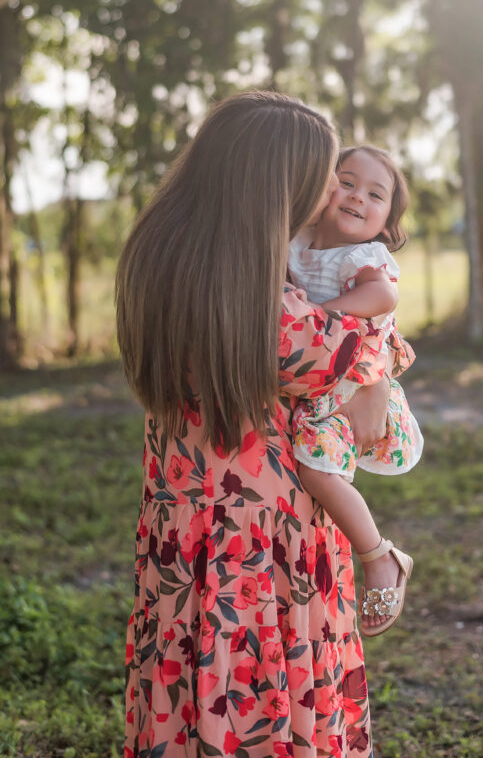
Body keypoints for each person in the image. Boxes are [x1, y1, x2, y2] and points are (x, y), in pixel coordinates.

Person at [116, 91, 415, 758]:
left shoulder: (169, 256)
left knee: (191, 678)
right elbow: (341, 344)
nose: (327, 202)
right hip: (262, 537)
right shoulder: (256, 300)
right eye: (321, 183)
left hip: (181, 526)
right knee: (258, 690)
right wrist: (375, 373)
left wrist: (371, 369)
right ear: (276, 186)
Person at [288, 146, 423, 636]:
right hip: (315, 385)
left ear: (387, 222)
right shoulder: (295, 239)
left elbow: (384, 296)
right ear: (322, 188)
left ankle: (381, 557)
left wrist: (324, 313)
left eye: (375, 194)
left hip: (348, 386)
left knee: (316, 472)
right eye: (346, 182)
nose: (357, 197)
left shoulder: (362, 258)